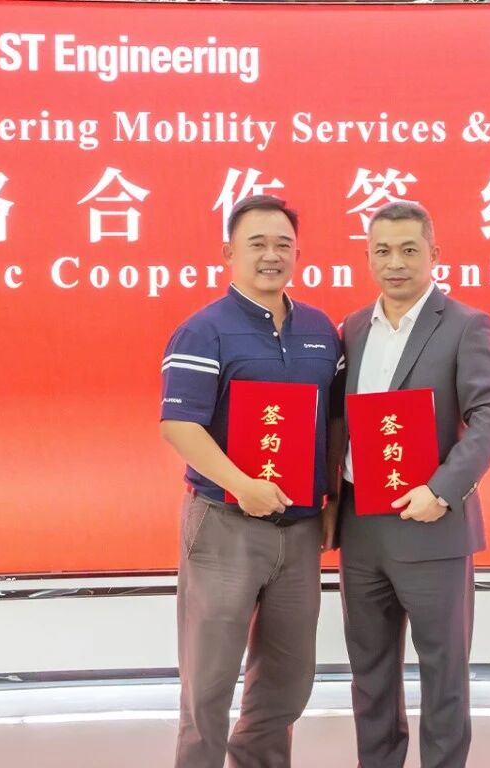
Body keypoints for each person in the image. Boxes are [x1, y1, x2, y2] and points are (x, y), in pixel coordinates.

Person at [159, 194, 342, 768]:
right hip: (225, 525)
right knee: (209, 682)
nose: (271, 255)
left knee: (287, 680)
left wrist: (333, 499)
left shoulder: (321, 330)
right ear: (229, 253)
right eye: (257, 244)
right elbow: (179, 425)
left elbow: (335, 422)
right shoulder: (202, 331)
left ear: (297, 254)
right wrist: (242, 483)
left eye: (283, 245)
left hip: (300, 529)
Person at [336, 201, 490, 768]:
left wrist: (441, 490)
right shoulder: (352, 329)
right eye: (383, 251)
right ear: (368, 258)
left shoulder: (465, 325)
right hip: (361, 527)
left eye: (409, 250)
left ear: (434, 254)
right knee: (369, 674)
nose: (396, 263)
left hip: (432, 525)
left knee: (443, 676)